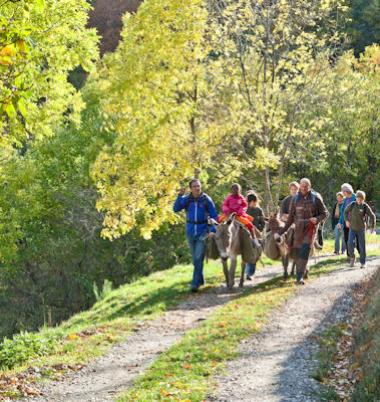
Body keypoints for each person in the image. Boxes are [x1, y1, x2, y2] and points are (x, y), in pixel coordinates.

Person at [276, 178, 328, 284]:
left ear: (309, 186)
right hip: (298, 228)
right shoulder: (294, 199)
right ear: (300, 186)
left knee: (304, 251)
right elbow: (290, 219)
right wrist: (280, 232)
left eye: (306, 186)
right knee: (299, 253)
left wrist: (317, 219)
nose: (304, 188)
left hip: (310, 228)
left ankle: (299, 277)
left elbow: (325, 213)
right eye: (302, 186)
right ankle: (303, 270)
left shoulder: (316, 198)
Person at [173, 178, 218, 292]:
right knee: (195, 259)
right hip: (190, 231)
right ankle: (201, 279)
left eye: (198, 186)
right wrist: (179, 196)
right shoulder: (187, 199)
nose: (197, 188)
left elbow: (214, 216)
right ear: (190, 188)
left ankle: (194, 284)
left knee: (198, 257)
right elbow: (176, 209)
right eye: (194, 186)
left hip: (203, 231)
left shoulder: (206, 199)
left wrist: (213, 229)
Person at [344, 190, 376, 269]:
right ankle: (352, 258)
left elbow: (373, 216)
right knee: (350, 243)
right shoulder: (352, 204)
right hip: (352, 228)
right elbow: (345, 212)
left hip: (361, 229)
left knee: (362, 246)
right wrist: (346, 221)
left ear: (363, 199)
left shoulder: (365, 206)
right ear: (356, 198)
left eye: (361, 199)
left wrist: (372, 227)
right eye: (358, 198)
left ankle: (363, 262)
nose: (359, 200)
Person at [245, 191, 265, 280]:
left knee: (256, 254)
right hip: (246, 235)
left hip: (257, 235)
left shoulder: (259, 210)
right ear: (249, 202)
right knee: (249, 253)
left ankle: (250, 272)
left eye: (255, 201)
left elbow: (263, 222)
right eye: (252, 202)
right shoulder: (245, 211)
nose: (254, 203)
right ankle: (248, 273)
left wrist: (259, 229)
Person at [337, 183, 358, 259]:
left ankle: (358, 253)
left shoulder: (355, 197)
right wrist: (340, 222)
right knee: (346, 240)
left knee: (354, 241)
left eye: (343, 191)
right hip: (346, 223)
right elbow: (343, 212)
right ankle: (350, 256)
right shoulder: (345, 200)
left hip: (355, 223)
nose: (342, 193)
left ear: (347, 191)